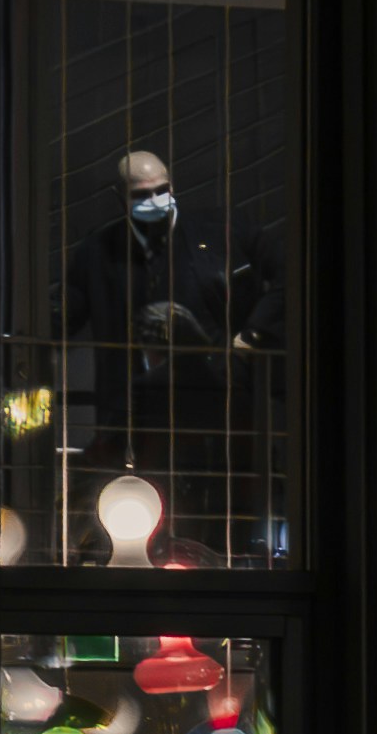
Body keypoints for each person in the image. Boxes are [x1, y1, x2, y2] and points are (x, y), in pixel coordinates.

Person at [61, 146, 282, 497]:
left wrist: (252, 336)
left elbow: (287, 272)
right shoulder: (97, 251)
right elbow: (65, 313)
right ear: (121, 197)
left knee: (221, 491)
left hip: (216, 396)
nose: (154, 201)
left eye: (161, 190)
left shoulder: (223, 231)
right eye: (142, 194)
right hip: (137, 410)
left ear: (172, 187)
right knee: (144, 496)